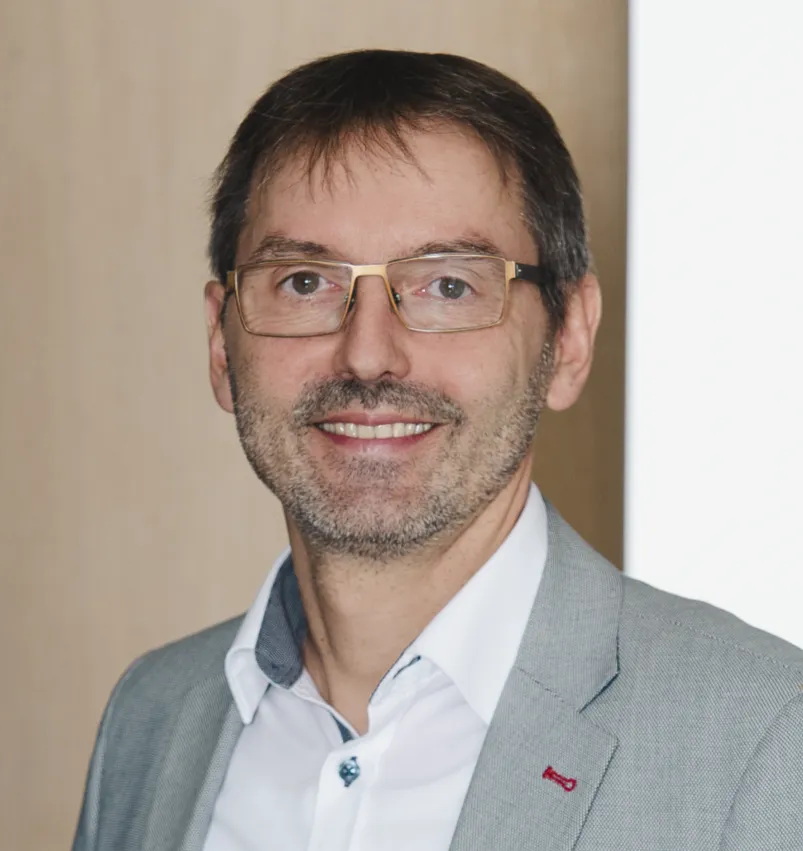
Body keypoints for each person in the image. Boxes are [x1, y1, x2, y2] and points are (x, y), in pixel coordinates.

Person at [71, 50, 803, 851]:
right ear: (221, 343)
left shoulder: (763, 736)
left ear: (568, 338)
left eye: (448, 284)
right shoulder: (153, 715)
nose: (367, 355)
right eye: (305, 281)